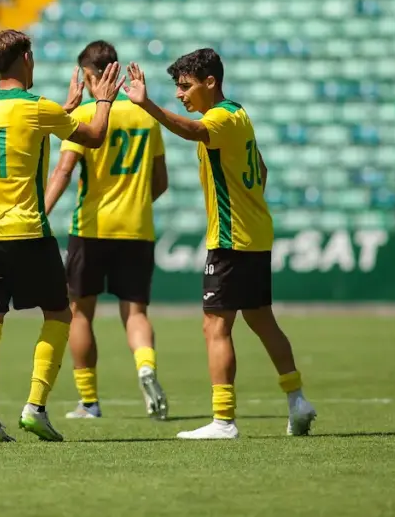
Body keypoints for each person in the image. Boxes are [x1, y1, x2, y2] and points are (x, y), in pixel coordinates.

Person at [123, 49, 317, 440]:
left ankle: (223, 420)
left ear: (210, 82)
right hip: (254, 235)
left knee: (215, 325)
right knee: (261, 320)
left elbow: (192, 131)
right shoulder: (239, 115)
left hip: (230, 240)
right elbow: (261, 169)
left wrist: (148, 105)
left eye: (185, 86)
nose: (179, 94)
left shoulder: (220, 118)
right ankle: (297, 400)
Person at [0, 29, 123, 443]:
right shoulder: (38, 108)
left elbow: (21, 129)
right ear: (26, 59)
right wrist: (103, 101)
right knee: (59, 315)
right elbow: (94, 136)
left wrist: (63, 111)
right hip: (26, 231)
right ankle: (35, 407)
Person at [43, 41, 169, 421]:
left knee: (80, 313)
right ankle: (145, 367)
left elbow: (64, 170)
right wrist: (134, 203)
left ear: (90, 75)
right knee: (136, 313)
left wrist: (40, 212)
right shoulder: (146, 115)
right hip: (137, 228)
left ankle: (89, 402)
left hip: (92, 226)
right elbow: (161, 182)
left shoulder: (85, 113)